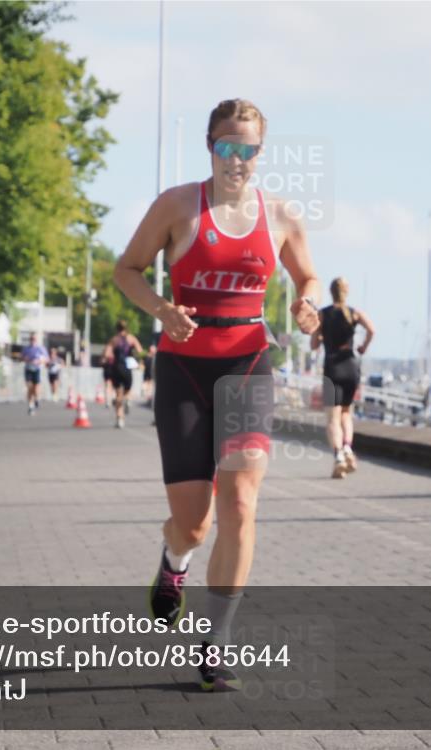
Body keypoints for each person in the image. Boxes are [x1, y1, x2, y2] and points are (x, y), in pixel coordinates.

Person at [114, 98, 319, 692]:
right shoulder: (178, 205)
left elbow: (306, 275)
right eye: (227, 147)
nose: (237, 159)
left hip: (248, 364)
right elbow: (126, 269)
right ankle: (173, 561)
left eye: (248, 150)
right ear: (210, 146)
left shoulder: (278, 215)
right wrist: (159, 309)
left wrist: (307, 303)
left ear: (260, 154)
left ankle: (217, 642)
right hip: (183, 369)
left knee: (241, 503)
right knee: (195, 523)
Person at [310, 277, 375, 479]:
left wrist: (321, 337)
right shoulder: (354, 313)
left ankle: (338, 455)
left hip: (332, 368)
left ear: (331, 292)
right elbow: (372, 330)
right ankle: (347, 447)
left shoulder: (323, 314)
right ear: (347, 292)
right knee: (347, 413)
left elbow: (313, 345)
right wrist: (363, 347)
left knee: (333, 418)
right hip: (351, 367)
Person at [105, 321, 143, 428]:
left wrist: (110, 357)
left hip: (116, 368)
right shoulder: (131, 339)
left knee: (118, 394)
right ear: (126, 329)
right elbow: (140, 350)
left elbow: (107, 354)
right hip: (127, 368)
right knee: (126, 391)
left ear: (117, 329)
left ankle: (119, 419)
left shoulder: (114, 340)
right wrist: (134, 356)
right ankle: (127, 399)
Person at [21, 333, 49, 415]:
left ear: (37, 340)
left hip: (37, 370)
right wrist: (25, 359)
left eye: (34, 339)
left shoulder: (40, 348)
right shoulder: (26, 349)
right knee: (29, 387)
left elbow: (47, 359)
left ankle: (36, 399)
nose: (33, 340)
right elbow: (22, 357)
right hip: (28, 369)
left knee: (36, 388)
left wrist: (39, 361)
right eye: (31, 339)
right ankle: (30, 405)